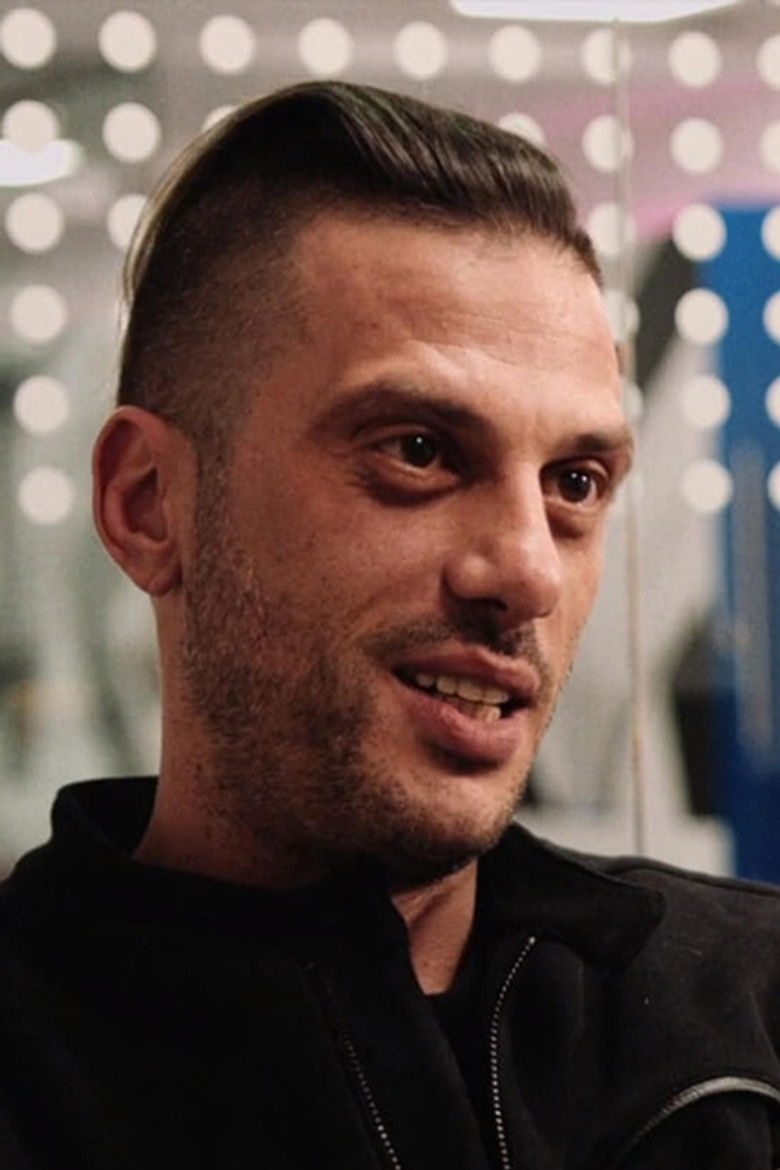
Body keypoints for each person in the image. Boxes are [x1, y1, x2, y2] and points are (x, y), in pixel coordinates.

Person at [1, 80, 780, 1170]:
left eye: (575, 482)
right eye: (418, 451)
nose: (527, 572)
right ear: (148, 504)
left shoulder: (745, 1011)